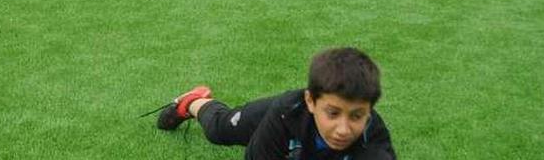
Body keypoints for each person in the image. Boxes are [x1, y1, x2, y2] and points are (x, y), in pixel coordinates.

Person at [154, 47, 396, 160]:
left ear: (369, 111)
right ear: (311, 101)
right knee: (220, 129)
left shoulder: (374, 142)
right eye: (332, 113)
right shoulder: (286, 113)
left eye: (356, 116)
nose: (343, 129)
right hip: (276, 118)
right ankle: (195, 102)